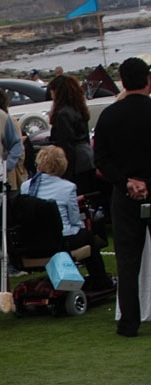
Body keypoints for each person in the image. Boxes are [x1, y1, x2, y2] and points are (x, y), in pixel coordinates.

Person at [94, 56, 151, 336]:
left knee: (128, 260)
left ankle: (129, 321)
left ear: (122, 82)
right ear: (148, 80)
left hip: (124, 194)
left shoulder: (109, 115)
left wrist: (126, 181)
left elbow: (101, 158)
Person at [22, 146, 114, 292]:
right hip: (59, 242)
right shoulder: (67, 187)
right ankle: (100, 279)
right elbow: (74, 220)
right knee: (88, 235)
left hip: (32, 243)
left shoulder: (26, 187)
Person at [47, 74, 96, 194]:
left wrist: (65, 173)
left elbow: (66, 145)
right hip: (86, 158)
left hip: (75, 164)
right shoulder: (78, 109)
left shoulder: (63, 114)